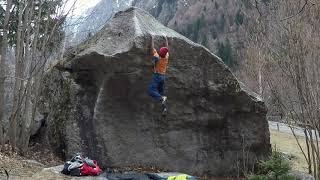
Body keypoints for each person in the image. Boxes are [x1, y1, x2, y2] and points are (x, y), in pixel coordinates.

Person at [147, 35, 169, 114]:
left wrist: (152, 38)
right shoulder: (166, 57)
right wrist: (166, 38)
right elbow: (167, 49)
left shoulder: (157, 57)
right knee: (161, 92)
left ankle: (161, 98)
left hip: (157, 76)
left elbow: (152, 48)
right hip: (163, 77)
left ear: (160, 52)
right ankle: (164, 108)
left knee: (151, 90)